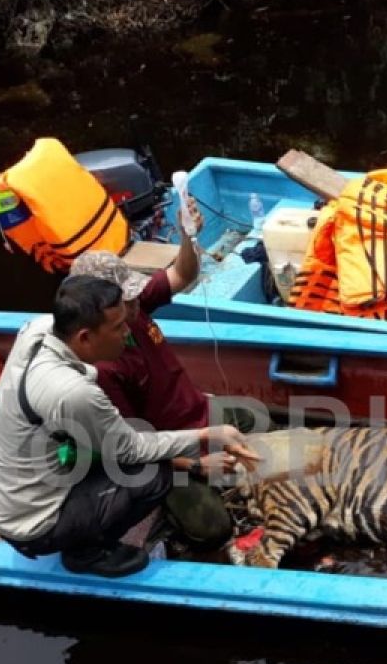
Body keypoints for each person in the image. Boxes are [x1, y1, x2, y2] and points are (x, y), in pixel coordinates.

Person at [0, 275, 249, 577]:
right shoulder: (73, 392)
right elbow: (131, 449)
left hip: (13, 483)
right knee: (153, 474)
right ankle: (87, 552)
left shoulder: (39, 329)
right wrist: (204, 436)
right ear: (84, 337)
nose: (127, 332)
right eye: (117, 328)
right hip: (31, 520)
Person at [69, 204, 263, 549]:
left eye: (131, 297)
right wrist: (196, 466)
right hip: (166, 455)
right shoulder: (100, 371)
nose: (134, 305)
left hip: (199, 414)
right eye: (124, 303)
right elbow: (130, 447)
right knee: (212, 529)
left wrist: (188, 235)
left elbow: (182, 274)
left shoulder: (133, 306)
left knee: (259, 420)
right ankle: (166, 515)